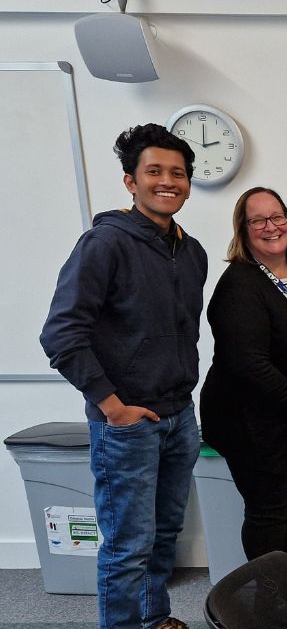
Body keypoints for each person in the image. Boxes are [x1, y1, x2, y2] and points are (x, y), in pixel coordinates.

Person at [40, 123, 206, 629]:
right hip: (127, 423)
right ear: (130, 181)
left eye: (177, 173)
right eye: (153, 171)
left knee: (162, 536)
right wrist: (112, 407)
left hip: (180, 416)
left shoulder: (191, 251)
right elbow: (61, 334)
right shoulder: (104, 244)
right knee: (127, 545)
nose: (167, 182)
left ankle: (156, 618)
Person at [200, 188, 287, 569]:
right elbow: (247, 363)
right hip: (253, 422)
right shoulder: (239, 285)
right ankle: (268, 602)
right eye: (258, 220)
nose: (271, 227)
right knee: (271, 509)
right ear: (243, 230)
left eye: (277, 217)